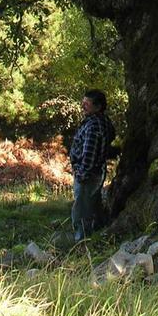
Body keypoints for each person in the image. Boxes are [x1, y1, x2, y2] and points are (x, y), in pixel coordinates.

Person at [69, 89, 115, 241]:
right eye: (83, 103)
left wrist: (82, 175)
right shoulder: (101, 121)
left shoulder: (94, 125)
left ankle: (80, 242)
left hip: (89, 174)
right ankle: (97, 235)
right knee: (93, 206)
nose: (83, 106)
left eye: (87, 104)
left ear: (98, 106)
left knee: (81, 210)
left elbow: (89, 153)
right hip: (96, 172)